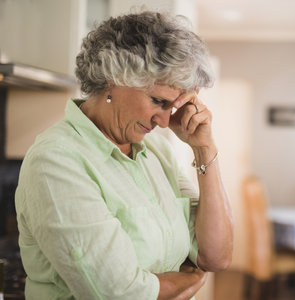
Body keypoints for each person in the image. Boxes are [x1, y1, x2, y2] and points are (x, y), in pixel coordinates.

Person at [15, 11, 233, 300]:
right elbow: (118, 293)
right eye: (158, 101)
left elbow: (215, 256)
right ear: (114, 78)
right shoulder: (56, 160)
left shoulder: (159, 153)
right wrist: (188, 281)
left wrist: (204, 148)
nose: (165, 121)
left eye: (172, 106)